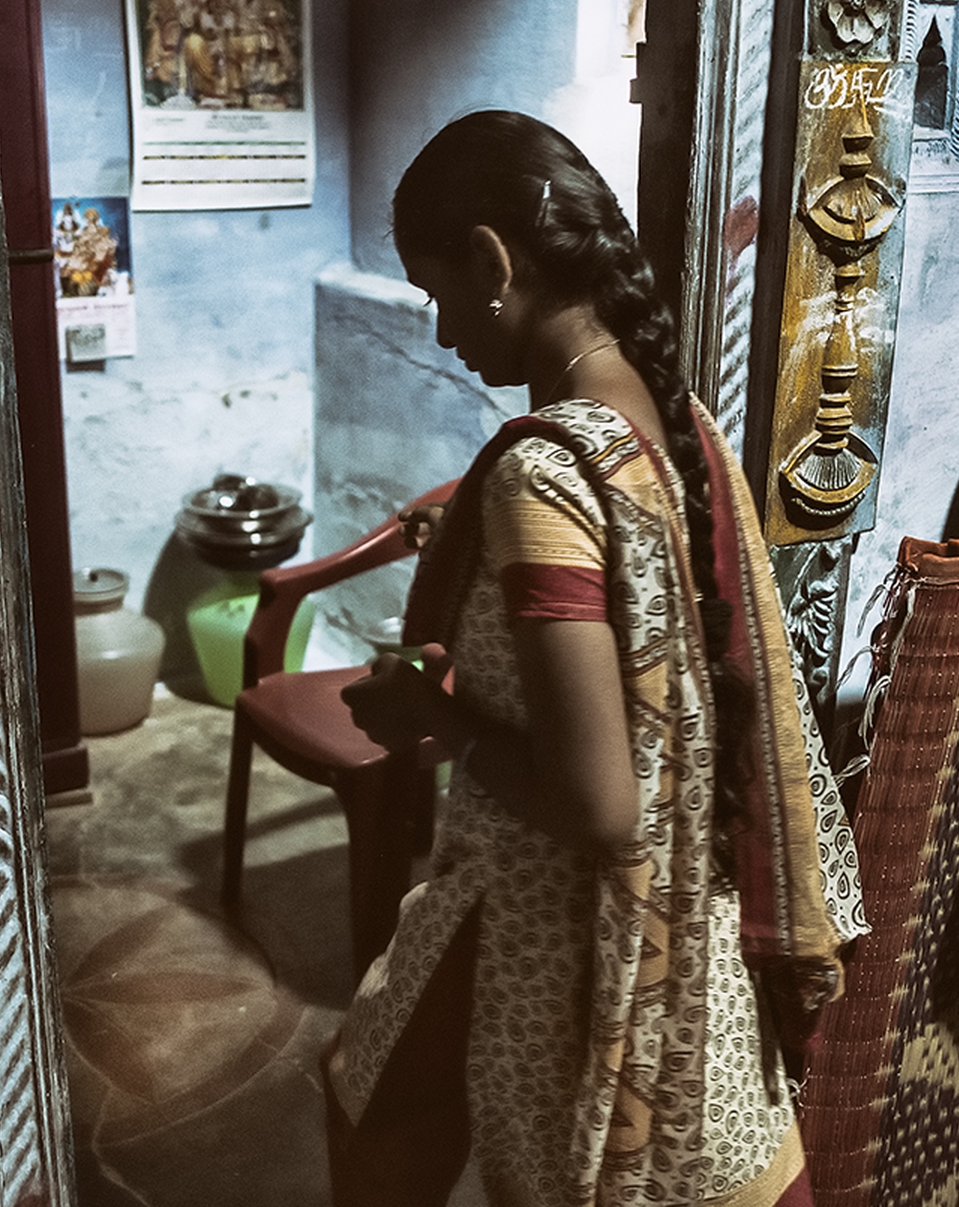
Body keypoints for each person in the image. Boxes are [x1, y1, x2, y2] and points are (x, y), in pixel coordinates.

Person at [325, 110, 866, 1207]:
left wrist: (435, 719)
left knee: (383, 1109)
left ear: (494, 263)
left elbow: (598, 801)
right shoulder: (676, 422)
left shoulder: (543, 476)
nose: (441, 332)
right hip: (694, 930)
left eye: (437, 294)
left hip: (566, 943)